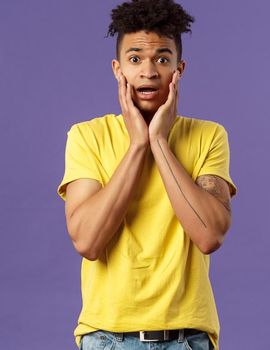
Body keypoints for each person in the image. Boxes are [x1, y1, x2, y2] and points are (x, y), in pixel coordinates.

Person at [57, 0, 236, 349]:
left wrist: (159, 142)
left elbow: (210, 235)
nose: (149, 71)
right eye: (135, 58)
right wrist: (138, 146)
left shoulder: (209, 136)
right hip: (107, 338)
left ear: (179, 70)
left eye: (163, 59)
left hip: (188, 338)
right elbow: (87, 242)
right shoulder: (87, 136)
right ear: (117, 69)